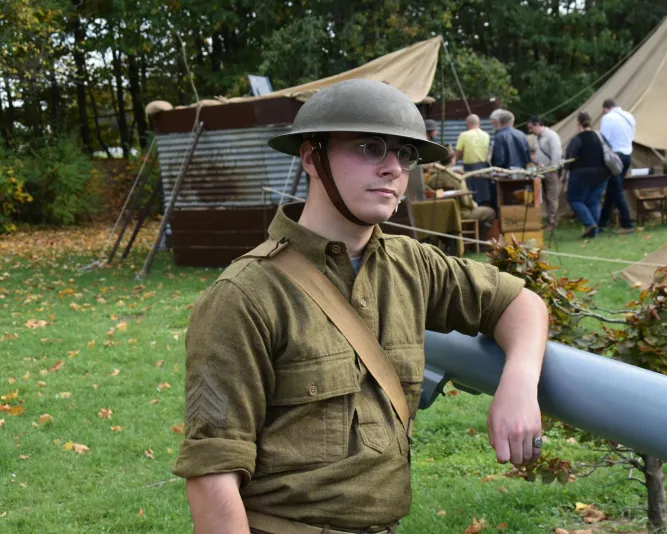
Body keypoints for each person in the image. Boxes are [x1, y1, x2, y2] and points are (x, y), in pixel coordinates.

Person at [173, 79, 549, 534]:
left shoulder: (410, 265)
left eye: (404, 154)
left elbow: (520, 303)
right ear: (312, 158)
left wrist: (520, 381)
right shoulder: (244, 295)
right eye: (370, 148)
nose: (394, 168)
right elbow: (213, 477)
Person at [564, 112, 610, 238]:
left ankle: (590, 224)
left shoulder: (577, 139)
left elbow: (569, 157)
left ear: (578, 124)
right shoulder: (600, 137)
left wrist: (564, 171)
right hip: (602, 173)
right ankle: (594, 232)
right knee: (593, 202)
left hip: (581, 173)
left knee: (574, 199)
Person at [598, 98, 635, 234]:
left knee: (617, 189)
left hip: (615, 157)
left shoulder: (607, 118)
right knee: (613, 189)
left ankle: (627, 224)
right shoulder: (629, 116)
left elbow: (604, 140)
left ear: (606, 108)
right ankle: (602, 223)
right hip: (627, 154)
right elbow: (631, 137)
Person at [528, 116, 563, 230]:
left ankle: (552, 223)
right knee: (545, 197)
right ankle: (549, 221)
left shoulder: (552, 136)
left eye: (531, 127)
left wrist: (553, 168)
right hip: (541, 171)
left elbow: (556, 154)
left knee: (551, 197)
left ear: (538, 124)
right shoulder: (537, 138)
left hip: (551, 171)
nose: (530, 131)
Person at [454, 114, 492, 206]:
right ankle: (484, 214)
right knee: (483, 193)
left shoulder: (464, 135)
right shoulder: (486, 135)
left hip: (469, 168)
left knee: (471, 193)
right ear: (479, 123)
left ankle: (474, 214)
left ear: (467, 124)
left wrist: (452, 163)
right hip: (484, 167)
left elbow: (458, 153)